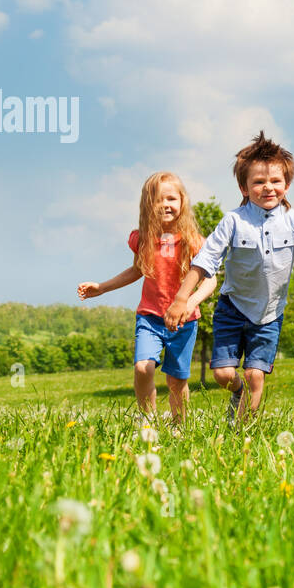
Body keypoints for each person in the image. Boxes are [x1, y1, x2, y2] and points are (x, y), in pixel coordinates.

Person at [164, 132, 294, 422]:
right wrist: (181, 299)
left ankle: (241, 431)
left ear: (287, 185)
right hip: (233, 308)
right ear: (243, 186)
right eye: (259, 182)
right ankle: (236, 392)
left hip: (269, 314)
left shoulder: (293, 221)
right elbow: (205, 260)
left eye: (276, 181)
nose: (268, 188)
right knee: (223, 374)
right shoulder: (234, 221)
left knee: (255, 374)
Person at [77, 171, 216, 427]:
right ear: (147, 205)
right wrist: (102, 287)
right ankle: (148, 422)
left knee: (176, 381)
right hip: (150, 317)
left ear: (182, 202)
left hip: (184, 322)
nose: (165, 204)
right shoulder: (142, 239)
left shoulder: (194, 242)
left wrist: (190, 302)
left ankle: (179, 427)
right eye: (158, 199)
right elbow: (137, 270)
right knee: (143, 367)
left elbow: (210, 280)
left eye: (171, 198)